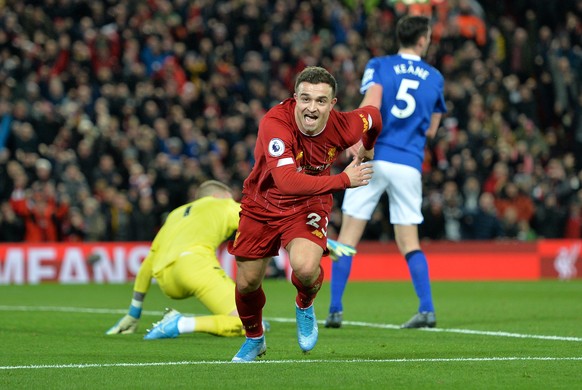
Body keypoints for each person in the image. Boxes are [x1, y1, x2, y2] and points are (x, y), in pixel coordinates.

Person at [228, 66, 382, 362]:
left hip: (308, 202)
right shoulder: (275, 123)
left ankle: (304, 303)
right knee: (247, 283)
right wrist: (343, 180)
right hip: (262, 203)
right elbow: (286, 181)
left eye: (321, 101)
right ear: (295, 98)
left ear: (332, 104)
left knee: (306, 267)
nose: (312, 107)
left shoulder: (345, 126)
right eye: (306, 99)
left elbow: (374, 115)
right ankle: (254, 339)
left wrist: (368, 146)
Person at [325, 15, 447, 329]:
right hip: (408, 163)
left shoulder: (381, 65)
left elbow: (372, 105)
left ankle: (335, 310)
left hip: (375, 157)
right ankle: (427, 309)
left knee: (349, 236)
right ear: (421, 40)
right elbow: (432, 130)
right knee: (409, 241)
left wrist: (359, 141)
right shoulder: (434, 77)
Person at [105, 180, 249, 339]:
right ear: (217, 196)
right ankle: (180, 324)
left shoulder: (175, 214)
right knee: (249, 322)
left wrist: (134, 312)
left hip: (167, 281)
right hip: (194, 266)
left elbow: (148, 263)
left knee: (251, 320)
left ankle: (173, 322)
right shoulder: (221, 204)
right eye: (229, 197)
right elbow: (255, 218)